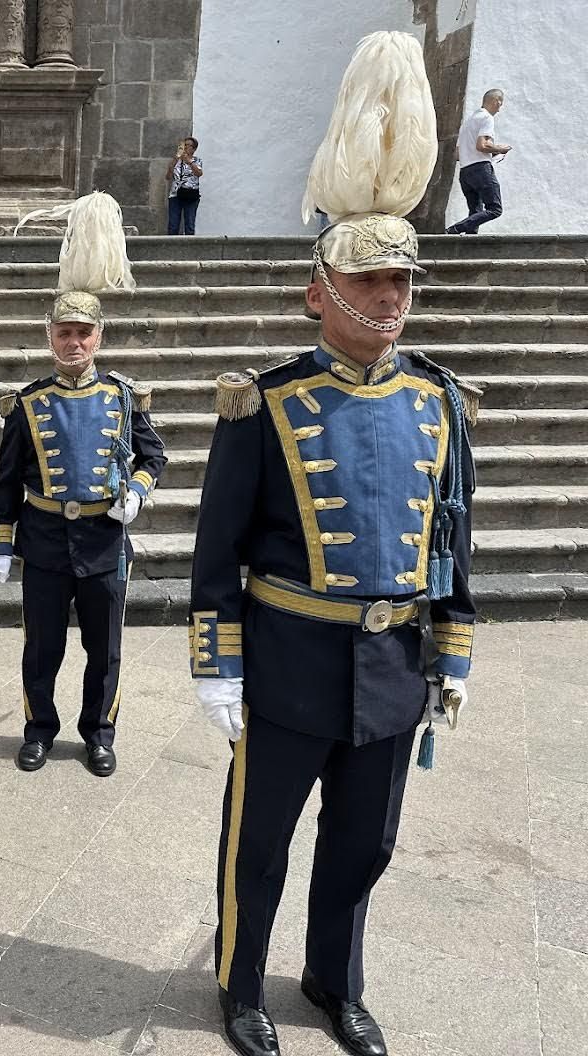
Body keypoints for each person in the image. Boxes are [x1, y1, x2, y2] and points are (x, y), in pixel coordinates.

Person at [195, 33, 476, 1056]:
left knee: (365, 845)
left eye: (402, 281)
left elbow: (452, 546)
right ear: (318, 290)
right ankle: (238, 986)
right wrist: (217, 663)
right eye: (371, 281)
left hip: (392, 665)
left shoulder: (441, 403)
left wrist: (450, 654)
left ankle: (330, 978)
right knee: (257, 845)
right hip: (289, 663)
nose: (391, 297)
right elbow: (213, 550)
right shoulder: (263, 403)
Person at [0, 192, 168, 778]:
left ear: (99, 336)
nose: (73, 342)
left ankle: (100, 731)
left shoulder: (122, 395)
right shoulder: (29, 403)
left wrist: (138, 491)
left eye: (83, 333)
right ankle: (39, 728)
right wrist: (0, 540)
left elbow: (153, 454)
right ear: (49, 336)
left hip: (104, 540)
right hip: (43, 540)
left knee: (105, 651)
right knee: (41, 649)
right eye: (64, 332)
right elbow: (8, 478)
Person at [447, 89, 511, 234]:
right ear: (496, 101)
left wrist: (491, 151)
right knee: (495, 209)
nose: (499, 109)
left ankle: (469, 245)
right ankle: (454, 229)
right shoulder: (487, 118)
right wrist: (500, 149)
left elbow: (457, 154)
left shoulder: (467, 123)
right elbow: (482, 145)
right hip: (481, 170)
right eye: (500, 104)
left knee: (475, 212)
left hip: (465, 172)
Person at [165, 137, 202, 235]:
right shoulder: (176, 160)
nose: (185, 147)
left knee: (189, 225)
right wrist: (173, 163)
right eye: (184, 145)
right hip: (175, 195)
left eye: (188, 145)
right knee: (173, 225)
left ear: (193, 149)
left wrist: (189, 161)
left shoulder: (197, 160)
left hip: (190, 196)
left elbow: (199, 173)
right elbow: (168, 177)